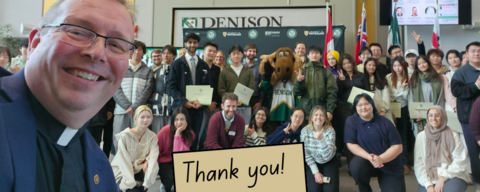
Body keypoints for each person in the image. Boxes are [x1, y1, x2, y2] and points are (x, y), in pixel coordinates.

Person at [0, 0, 136, 190]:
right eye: (77, 31)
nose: (97, 53)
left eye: (116, 44)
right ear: (35, 43)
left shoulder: (101, 169)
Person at [345, 94, 405, 192]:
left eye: (366, 104)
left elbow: (398, 147)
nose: (363, 107)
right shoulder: (351, 121)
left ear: (372, 105)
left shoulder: (386, 122)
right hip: (368, 162)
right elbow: (351, 144)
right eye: (359, 105)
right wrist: (370, 157)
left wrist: (381, 159)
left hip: (389, 163)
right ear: (355, 107)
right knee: (356, 166)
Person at [168, 32, 211, 151]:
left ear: (198, 44)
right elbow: (171, 87)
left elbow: (208, 86)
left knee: (195, 137)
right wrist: (184, 101)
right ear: (185, 44)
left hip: (198, 108)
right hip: (182, 108)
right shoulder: (176, 64)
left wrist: (202, 102)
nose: (192, 45)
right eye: (190, 42)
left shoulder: (204, 65)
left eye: (195, 42)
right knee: (179, 137)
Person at [415, 106, 470, 192]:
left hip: (453, 175)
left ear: (443, 117)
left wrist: (443, 178)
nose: (433, 118)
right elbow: (419, 164)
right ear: (427, 117)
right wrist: (428, 185)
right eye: (430, 115)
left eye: (437, 115)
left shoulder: (453, 135)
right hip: (430, 178)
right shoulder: (421, 137)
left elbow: (460, 160)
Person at [113, 40, 154, 154]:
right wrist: (126, 106)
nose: (137, 52)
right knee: (119, 140)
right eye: (134, 49)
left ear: (143, 52)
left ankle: (135, 168)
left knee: (137, 141)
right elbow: (115, 88)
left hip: (139, 113)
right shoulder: (121, 67)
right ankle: (119, 168)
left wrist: (135, 107)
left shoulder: (148, 71)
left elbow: (148, 91)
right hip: (121, 111)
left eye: (140, 49)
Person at [111, 105, 159, 192]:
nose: (145, 120)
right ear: (136, 119)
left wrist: (148, 180)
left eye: (148, 117)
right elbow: (123, 161)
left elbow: (153, 157)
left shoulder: (152, 136)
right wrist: (130, 182)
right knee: (132, 189)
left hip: (139, 169)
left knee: (142, 186)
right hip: (123, 171)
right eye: (142, 117)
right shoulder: (125, 136)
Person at [452, 41, 480, 185]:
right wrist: (476, 86)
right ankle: (478, 181)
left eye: (479, 51)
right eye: (473, 51)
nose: (476, 53)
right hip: (469, 118)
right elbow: (457, 92)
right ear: (467, 54)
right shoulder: (461, 72)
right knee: (474, 152)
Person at [333, 53, 369, 156]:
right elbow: (338, 94)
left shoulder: (361, 75)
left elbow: (367, 91)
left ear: (352, 63)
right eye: (344, 64)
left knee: (359, 130)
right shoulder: (341, 77)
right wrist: (341, 81)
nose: (347, 65)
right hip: (344, 107)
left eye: (348, 63)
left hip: (360, 107)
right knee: (347, 130)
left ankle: (359, 153)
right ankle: (344, 153)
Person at [301, 106, 339, 192]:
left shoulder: (330, 130)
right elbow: (306, 154)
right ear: (311, 117)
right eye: (316, 115)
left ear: (325, 118)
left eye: (321, 115)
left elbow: (327, 156)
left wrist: (321, 140)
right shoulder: (305, 131)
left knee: (330, 190)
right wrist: (316, 172)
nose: (318, 117)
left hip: (329, 161)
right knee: (314, 189)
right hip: (313, 162)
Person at [294, 45, 337, 121]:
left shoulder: (327, 73)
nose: (314, 55)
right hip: (305, 112)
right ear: (308, 55)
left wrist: (330, 110)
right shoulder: (302, 72)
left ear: (320, 55)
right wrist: (299, 82)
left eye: (317, 53)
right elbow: (296, 92)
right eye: (312, 53)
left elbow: (332, 93)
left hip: (321, 113)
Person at [157, 107, 194, 192]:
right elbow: (156, 150)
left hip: (179, 160)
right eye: (176, 119)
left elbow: (179, 155)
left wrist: (178, 135)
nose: (179, 122)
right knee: (170, 178)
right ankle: (165, 185)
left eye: (182, 119)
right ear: (173, 120)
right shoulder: (165, 130)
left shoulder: (190, 134)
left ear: (187, 120)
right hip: (164, 161)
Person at [409, 55, 444, 136]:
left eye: (424, 62)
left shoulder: (438, 78)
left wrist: (437, 113)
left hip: (435, 116)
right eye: (419, 64)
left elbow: (441, 97)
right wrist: (414, 115)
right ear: (417, 66)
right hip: (419, 117)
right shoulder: (414, 79)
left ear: (428, 63)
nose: (422, 65)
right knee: (421, 140)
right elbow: (411, 98)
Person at [386, 57, 411, 174]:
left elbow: (407, 97)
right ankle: (390, 162)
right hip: (391, 108)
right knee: (390, 136)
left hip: (404, 108)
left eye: (400, 65)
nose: (397, 68)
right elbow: (390, 96)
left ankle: (404, 164)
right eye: (395, 65)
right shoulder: (389, 77)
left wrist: (403, 90)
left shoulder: (409, 77)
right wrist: (401, 90)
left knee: (403, 136)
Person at [149, 46, 176, 133]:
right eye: (164, 53)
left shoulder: (178, 71)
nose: (166, 55)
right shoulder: (154, 72)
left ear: (174, 55)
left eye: (168, 53)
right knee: (156, 135)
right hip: (157, 108)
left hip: (173, 108)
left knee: (171, 135)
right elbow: (149, 90)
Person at [364, 58, 393, 124]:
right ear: (365, 66)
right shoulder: (361, 79)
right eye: (369, 65)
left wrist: (383, 110)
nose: (372, 67)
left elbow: (386, 96)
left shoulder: (381, 79)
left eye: (374, 65)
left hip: (381, 110)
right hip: (367, 110)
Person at [242, 43, 264, 111]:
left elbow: (262, 86)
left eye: (254, 51)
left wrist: (260, 102)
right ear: (245, 52)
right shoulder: (239, 66)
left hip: (255, 99)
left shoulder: (260, 67)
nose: (252, 53)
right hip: (241, 98)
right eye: (250, 51)